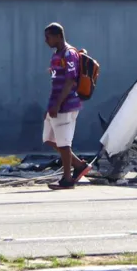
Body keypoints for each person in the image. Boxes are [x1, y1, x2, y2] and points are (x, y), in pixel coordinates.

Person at [43, 23, 89, 190]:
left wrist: (57, 104)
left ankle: (67, 180)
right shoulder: (57, 54)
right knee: (49, 138)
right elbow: (57, 81)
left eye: (48, 37)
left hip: (66, 105)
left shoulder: (69, 54)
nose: (46, 41)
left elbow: (70, 81)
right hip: (55, 104)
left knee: (63, 142)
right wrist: (50, 106)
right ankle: (79, 165)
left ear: (58, 36)